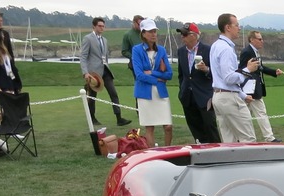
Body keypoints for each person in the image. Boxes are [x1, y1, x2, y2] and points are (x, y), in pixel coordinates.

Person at [209, 13, 260, 143]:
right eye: (236, 25)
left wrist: (242, 95)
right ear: (228, 27)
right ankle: (248, 164)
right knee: (248, 139)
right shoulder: (226, 49)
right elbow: (228, 78)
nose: (239, 28)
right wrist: (248, 70)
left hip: (219, 97)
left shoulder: (215, 45)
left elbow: (221, 78)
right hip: (229, 99)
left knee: (229, 141)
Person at [81, 17, 132, 127]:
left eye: (103, 26)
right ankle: (92, 118)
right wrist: (85, 72)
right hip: (94, 73)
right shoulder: (88, 39)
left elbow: (105, 57)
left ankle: (119, 118)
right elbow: (83, 57)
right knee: (92, 96)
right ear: (94, 26)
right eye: (99, 26)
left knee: (113, 93)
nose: (102, 28)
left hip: (106, 70)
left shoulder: (105, 40)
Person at [176, 23, 220, 144]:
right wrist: (182, 91)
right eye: (181, 34)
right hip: (187, 97)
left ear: (194, 36)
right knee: (196, 130)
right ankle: (201, 153)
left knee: (210, 127)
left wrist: (206, 69)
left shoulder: (208, 50)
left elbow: (217, 73)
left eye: (185, 34)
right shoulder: (180, 51)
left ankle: (217, 153)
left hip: (204, 97)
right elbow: (181, 75)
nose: (182, 37)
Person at [132, 19, 173, 147]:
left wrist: (152, 73)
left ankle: (167, 151)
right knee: (149, 128)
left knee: (168, 127)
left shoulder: (161, 50)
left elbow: (169, 74)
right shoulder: (137, 50)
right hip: (145, 93)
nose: (153, 34)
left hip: (160, 92)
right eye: (150, 31)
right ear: (143, 33)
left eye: (154, 31)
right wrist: (158, 79)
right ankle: (152, 154)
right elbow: (139, 75)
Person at [239, 31, 284, 142]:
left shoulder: (255, 52)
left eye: (262, 39)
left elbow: (260, 67)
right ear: (252, 40)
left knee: (248, 114)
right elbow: (241, 70)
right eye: (259, 39)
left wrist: (274, 72)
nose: (262, 41)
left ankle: (242, 138)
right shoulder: (247, 52)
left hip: (254, 89)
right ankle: (268, 138)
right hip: (250, 89)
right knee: (257, 113)